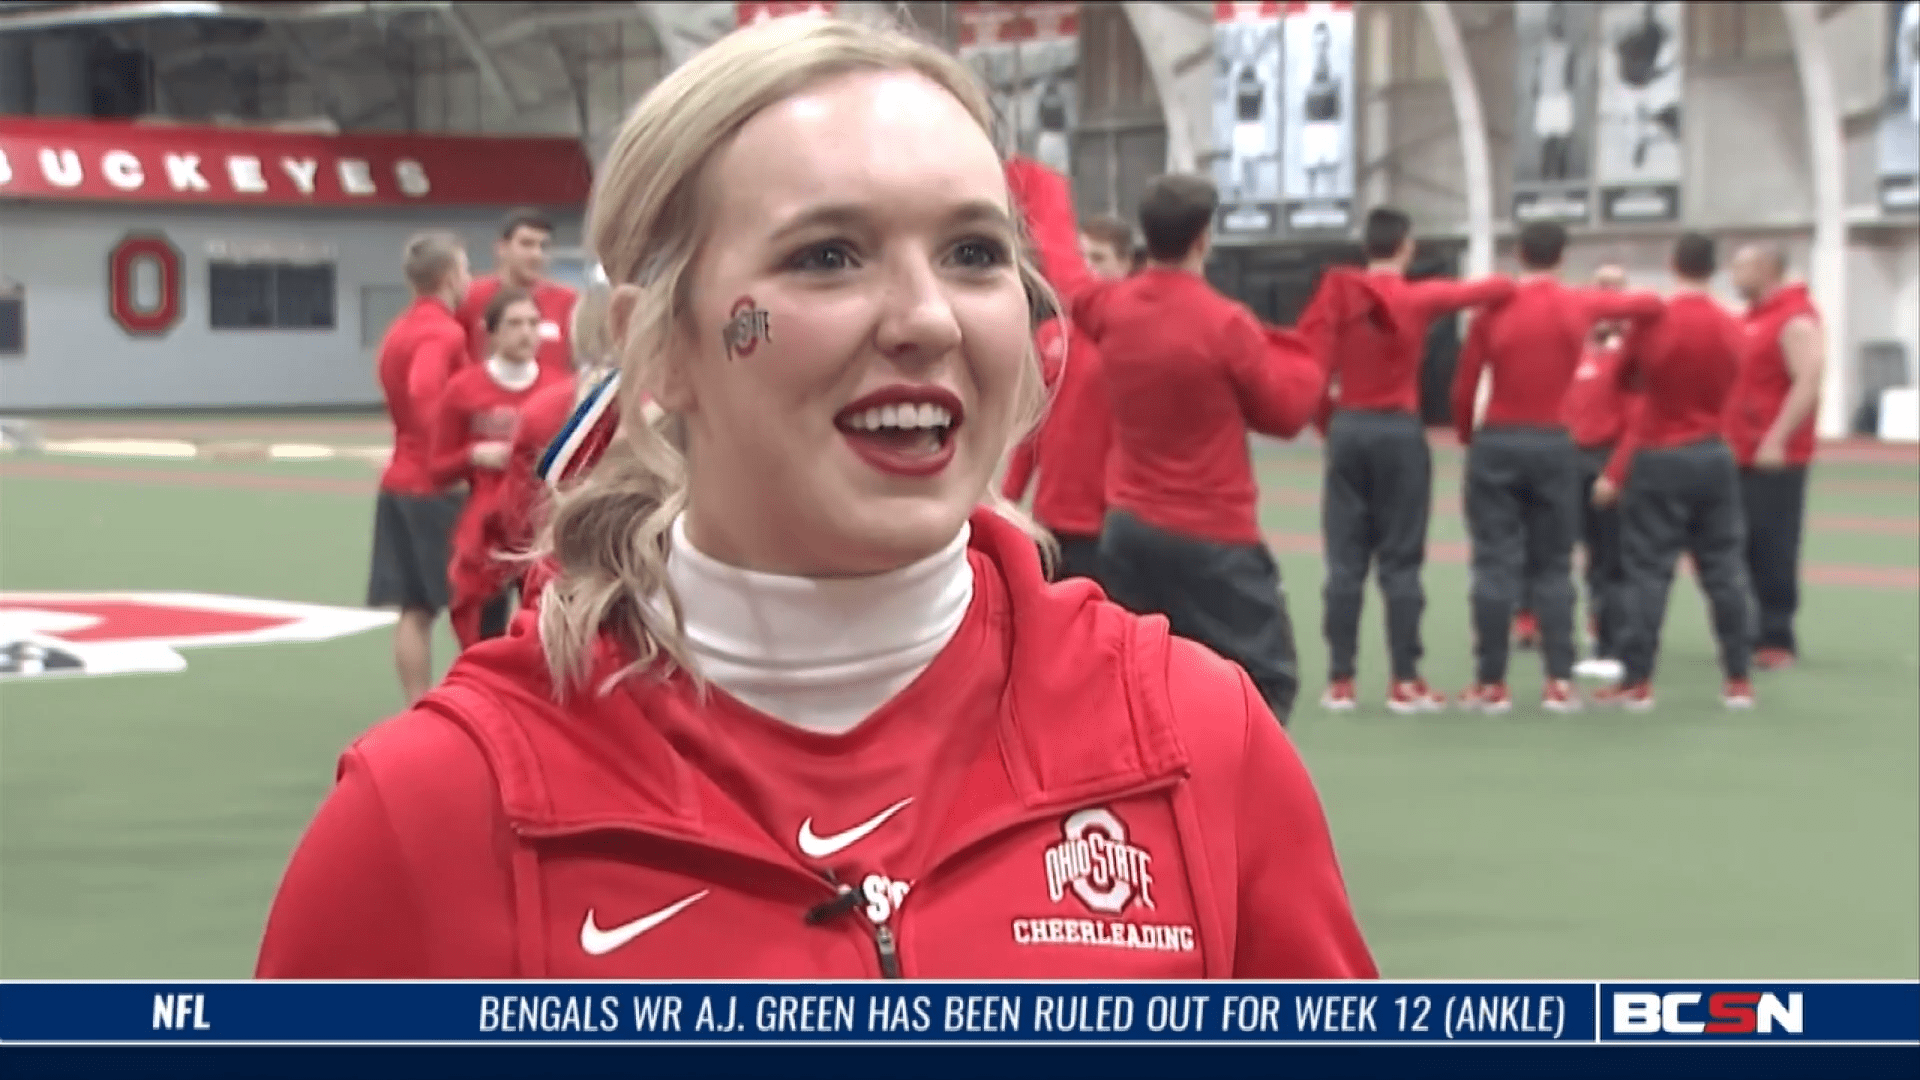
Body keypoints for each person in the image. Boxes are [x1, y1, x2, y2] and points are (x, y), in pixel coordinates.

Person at [258, 14, 1376, 981]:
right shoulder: (433, 815)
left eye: (975, 252)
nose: (928, 318)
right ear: (666, 350)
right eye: (829, 256)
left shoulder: (1195, 742)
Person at [1006, 164, 1326, 725]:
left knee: (1138, 675)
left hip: (1129, 531)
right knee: (1265, 680)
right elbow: (1285, 413)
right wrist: (1306, 351)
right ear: (1204, 237)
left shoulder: (1113, 311)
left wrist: (1042, 184)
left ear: (1145, 235)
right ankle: (1234, 795)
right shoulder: (1226, 325)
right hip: (1214, 536)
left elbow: (1064, 268)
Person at [1306, 208, 1511, 714]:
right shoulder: (1418, 299)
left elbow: (1310, 372)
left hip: (1349, 427)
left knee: (1345, 562)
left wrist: (1331, 424)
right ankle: (1404, 678)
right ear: (1407, 246)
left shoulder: (1340, 302)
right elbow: (1493, 290)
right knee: (1401, 561)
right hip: (1399, 431)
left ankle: (1341, 679)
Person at [1449, 225, 1662, 713]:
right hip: (1554, 442)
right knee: (1554, 565)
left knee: (1493, 563)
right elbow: (1649, 305)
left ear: (1520, 254)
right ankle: (1559, 682)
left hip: (1499, 438)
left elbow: (1465, 382)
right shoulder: (1580, 304)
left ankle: (1492, 682)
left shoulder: (1495, 308)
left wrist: (1467, 433)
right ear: (1562, 257)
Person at [1592, 233, 1754, 712]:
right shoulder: (1732, 324)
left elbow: (1622, 377)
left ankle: (1638, 681)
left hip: (1660, 454)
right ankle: (1738, 678)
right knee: (1724, 570)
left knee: (1648, 571)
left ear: (1672, 264)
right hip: (1713, 453)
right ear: (1715, 268)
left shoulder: (1654, 320)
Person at [429, 288, 566, 648]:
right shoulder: (464, 389)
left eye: (534, 323)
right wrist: (474, 455)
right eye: (515, 323)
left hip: (542, 531)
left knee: (547, 635)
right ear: (491, 333)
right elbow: (437, 467)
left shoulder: (560, 387)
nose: (526, 332)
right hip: (488, 533)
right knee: (482, 637)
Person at [365, 231, 469, 704]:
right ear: (449, 276)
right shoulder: (443, 333)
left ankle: (416, 703)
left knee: (416, 607)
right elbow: (425, 392)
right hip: (434, 488)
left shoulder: (397, 331)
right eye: (466, 270)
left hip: (398, 481)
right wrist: (453, 455)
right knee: (468, 605)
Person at [998, 218, 1130, 584]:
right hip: (1049, 522)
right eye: (1083, 258)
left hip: (1110, 527)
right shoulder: (1051, 335)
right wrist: (1008, 495)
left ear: (1124, 266)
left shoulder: (1133, 340)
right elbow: (1035, 422)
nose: (1087, 269)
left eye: (1099, 259)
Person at [1726, 243, 1825, 670]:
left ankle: (1776, 636)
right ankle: (1749, 630)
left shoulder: (1795, 318)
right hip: (1739, 451)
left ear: (1767, 268)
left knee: (1774, 544)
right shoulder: (1749, 319)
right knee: (1741, 545)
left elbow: (1808, 381)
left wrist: (1776, 439)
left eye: (1741, 267)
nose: (1733, 275)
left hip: (1774, 456)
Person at [1558, 265, 1638, 681]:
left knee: (1613, 558)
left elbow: (1638, 420)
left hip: (1608, 461)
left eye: (1615, 288)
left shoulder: (1633, 355)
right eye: (1600, 287)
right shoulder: (1575, 350)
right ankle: (1566, 635)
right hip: (1568, 461)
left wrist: (1617, 471)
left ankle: (1616, 643)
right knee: (1564, 555)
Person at [458, 207, 579, 377]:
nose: (537, 254)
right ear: (502, 248)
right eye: (527, 244)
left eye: (543, 246)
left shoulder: (568, 301)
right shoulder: (470, 296)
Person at [1532, 3, 1579, 182]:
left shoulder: (1568, 47)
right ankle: (1545, 172)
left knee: (1562, 136)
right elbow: (1537, 70)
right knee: (1545, 137)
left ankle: (1561, 173)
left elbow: (1571, 73)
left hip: (1561, 96)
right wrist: (1537, 88)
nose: (1556, 22)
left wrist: (1567, 88)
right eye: (1553, 17)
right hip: (1546, 95)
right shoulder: (1543, 47)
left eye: (1559, 18)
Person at [1300, 20, 1343, 197]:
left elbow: (1337, 90)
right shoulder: (1305, 66)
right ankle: (1310, 200)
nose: (1321, 46)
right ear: (1313, 43)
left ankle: (1332, 201)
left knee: (1331, 168)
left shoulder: (1336, 65)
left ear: (1329, 42)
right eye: (1318, 42)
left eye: (1324, 42)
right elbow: (1307, 89)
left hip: (1330, 123)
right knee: (1311, 169)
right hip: (1312, 124)